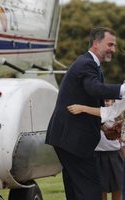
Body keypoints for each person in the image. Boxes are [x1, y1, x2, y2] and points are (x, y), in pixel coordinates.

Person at [45, 27, 125, 200]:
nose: (113, 49)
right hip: (73, 139)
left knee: (76, 188)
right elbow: (94, 89)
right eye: (110, 44)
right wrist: (123, 89)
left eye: (114, 46)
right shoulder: (86, 64)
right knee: (90, 190)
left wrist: (105, 128)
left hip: (67, 138)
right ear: (96, 44)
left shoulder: (91, 66)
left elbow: (92, 100)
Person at [68, 99, 123, 200]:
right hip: (97, 155)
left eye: (111, 100)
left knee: (118, 187)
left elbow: (122, 143)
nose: (108, 103)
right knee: (101, 189)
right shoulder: (95, 114)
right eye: (105, 100)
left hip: (114, 155)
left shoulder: (117, 115)